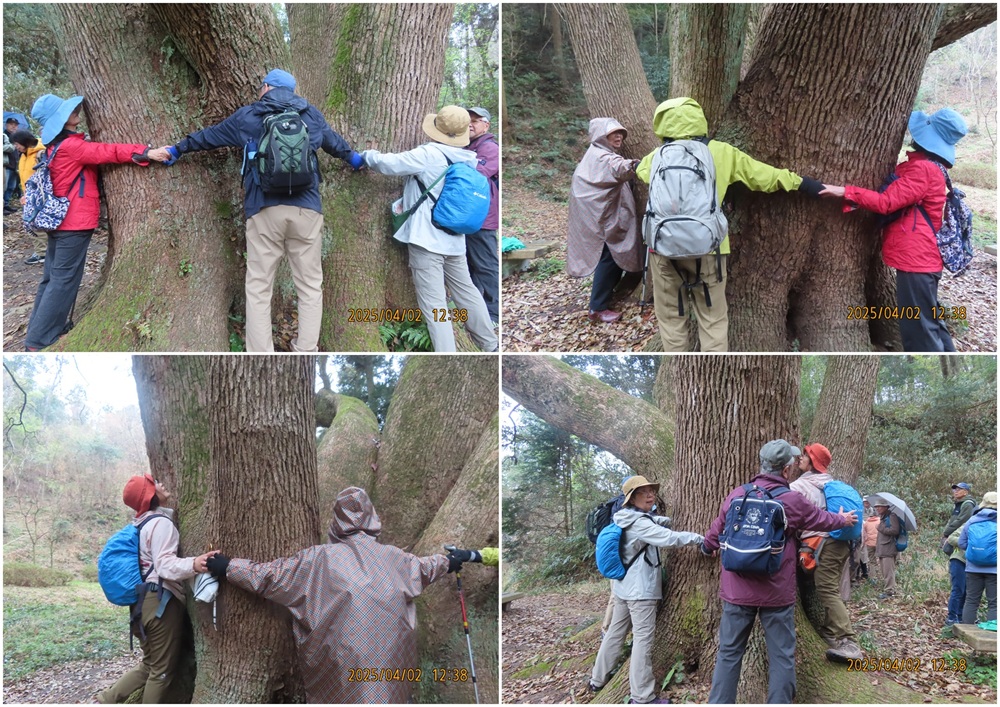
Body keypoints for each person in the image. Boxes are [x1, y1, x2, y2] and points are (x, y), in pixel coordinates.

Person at [149, 69, 363, 353]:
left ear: (267, 87)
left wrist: (178, 149)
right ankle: (305, 350)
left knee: (259, 287)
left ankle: (261, 352)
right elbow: (336, 144)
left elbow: (209, 136)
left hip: (263, 210)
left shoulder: (248, 116)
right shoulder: (311, 115)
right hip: (307, 210)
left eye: (261, 86)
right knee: (310, 285)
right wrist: (355, 159)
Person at [204, 487, 474, 703]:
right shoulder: (393, 558)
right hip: (391, 660)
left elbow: (271, 577)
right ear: (372, 517)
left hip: (341, 664)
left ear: (336, 520)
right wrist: (451, 561)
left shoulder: (318, 559)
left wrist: (228, 567)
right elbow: (425, 568)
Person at [635, 98, 825, 351]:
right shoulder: (721, 152)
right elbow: (764, 176)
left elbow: (641, 172)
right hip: (710, 248)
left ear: (661, 123)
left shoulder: (656, 158)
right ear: (698, 119)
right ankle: (713, 365)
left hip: (663, 248)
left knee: (671, 320)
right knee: (713, 320)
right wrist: (803, 184)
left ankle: (679, 364)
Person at [703, 439, 858, 704]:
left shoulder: (737, 494)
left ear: (762, 465)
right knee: (781, 656)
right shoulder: (792, 500)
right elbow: (821, 519)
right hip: (776, 591)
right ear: (786, 470)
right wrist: (843, 519)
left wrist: (707, 547)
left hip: (737, 589)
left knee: (729, 653)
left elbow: (718, 529)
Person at [819, 108, 968, 352]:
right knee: (930, 323)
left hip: (917, 262)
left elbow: (886, 202)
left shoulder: (924, 169)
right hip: (923, 260)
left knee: (919, 330)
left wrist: (844, 191)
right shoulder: (931, 167)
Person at [24, 94, 162, 352]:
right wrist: (145, 152)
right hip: (74, 223)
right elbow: (107, 152)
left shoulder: (55, 146)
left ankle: (38, 333)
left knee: (52, 279)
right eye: (68, 111)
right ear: (60, 120)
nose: (75, 111)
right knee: (63, 280)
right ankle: (39, 341)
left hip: (58, 221)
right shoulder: (71, 146)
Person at [361, 105, 498, 353]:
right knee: (467, 293)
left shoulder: (428, 154)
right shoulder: (469, 158)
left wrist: (366, 155)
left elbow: (390, 164)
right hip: (455, 240)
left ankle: (447, 353)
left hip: (426, 240)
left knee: (435, 305)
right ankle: (490, 344)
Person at [98, 475, 216, 704]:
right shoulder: (160, 523)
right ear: (149, 494)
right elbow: (164, 566)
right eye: (154, 483)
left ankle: (105, 700)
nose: (160, 484)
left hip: (140, 605)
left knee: (149, 665)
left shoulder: (139, 524)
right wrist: (195, 563)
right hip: (160, 603)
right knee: (161, 672)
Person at [589, 475, 704, 705]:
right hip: (640, 592)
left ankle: (597, 680)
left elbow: (648, 524)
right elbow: (668, 539)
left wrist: (662, 520)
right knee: (642, 642)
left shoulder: (623, 517)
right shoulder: (640, 523)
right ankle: (641, 697)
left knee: (614, 634)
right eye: (644, 492)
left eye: (652, 491)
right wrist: (699, 538)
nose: (651, 495)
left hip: (623, 588)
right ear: (632, 498)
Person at [789, 443, 862, 661]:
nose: (801, 458)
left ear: (812, 462)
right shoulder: (829, 483)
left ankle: (849, 643)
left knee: (827, 590)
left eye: (805, 455)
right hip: (840, 542)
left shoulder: (800, 486)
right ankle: (829, 632)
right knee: (831, 588)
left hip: (822, 543)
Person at [567, 117, 643, 324]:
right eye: (613, 133)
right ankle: (597, 308)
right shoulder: (602, 157)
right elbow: (619, 167)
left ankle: (604, 299)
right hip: (600, 218)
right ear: (601, 136)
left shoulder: (594, 154)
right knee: (609, 256)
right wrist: (640, 164)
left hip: (596, 215)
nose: (618, 137)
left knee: (610, 256)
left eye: (620, 133)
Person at [464, 106, 500, 326]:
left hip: (483, 219)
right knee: (468, 266)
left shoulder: (489, 148)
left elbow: (480, 172)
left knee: (486, 265)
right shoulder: (467, 146)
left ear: (486, 125)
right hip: (466, 217)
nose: (470, 124)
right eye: (468, 120)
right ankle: (477, 313)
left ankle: (494, 315)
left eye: (476, 120)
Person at [959, 491, 997, 624]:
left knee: (971, 600)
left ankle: (965, 631)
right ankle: (993, 632)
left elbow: (961, 543)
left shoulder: (972, 520)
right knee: (994, 603)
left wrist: (975, 552)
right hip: (995, 570)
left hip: (973, 568)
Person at [942, 482, 977, 625]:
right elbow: (956, 527)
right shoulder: (959, 504)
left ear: (966, 492)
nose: (955, 491)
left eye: (959, 489)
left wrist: (947, 532)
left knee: (964, 589)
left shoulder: (967, 505)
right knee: (959, 588)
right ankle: (953, 617)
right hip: (959, 556)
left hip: (968, 558)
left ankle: (959, 616)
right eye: (955, 489)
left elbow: (961, 521)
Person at [10, 129, 47, 264]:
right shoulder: (24, 155)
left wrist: (34, 195)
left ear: (24, 141)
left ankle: (42, 253)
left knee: (36, 224)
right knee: (32, 224)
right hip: (28, 195)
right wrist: (24, 193)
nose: (16, 147)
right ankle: (42, 251)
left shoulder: (40, 154)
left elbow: (44, 177)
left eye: (17, 143)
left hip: (38, 196)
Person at [871, 499, 901, 598]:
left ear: (885, 507)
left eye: (879, 506)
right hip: (883, 547)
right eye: (876, 506)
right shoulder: (883, 517)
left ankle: (890, 591)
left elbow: (895, 530)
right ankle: (888, 589)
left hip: (888, 548)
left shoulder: (892, 516)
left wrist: (880, 528)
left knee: (888, 571)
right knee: (884, 570)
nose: (877, 508)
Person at [4, 116, 20, 210]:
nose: (13, 126)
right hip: (6, 165)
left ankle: (6, 204)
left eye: (15, 125)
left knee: (11, 187)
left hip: (15, 166)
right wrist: (12, 146)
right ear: (6, 125)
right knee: (4, 187)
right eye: (11, 124)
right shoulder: (3, 135)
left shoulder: (16, 137)